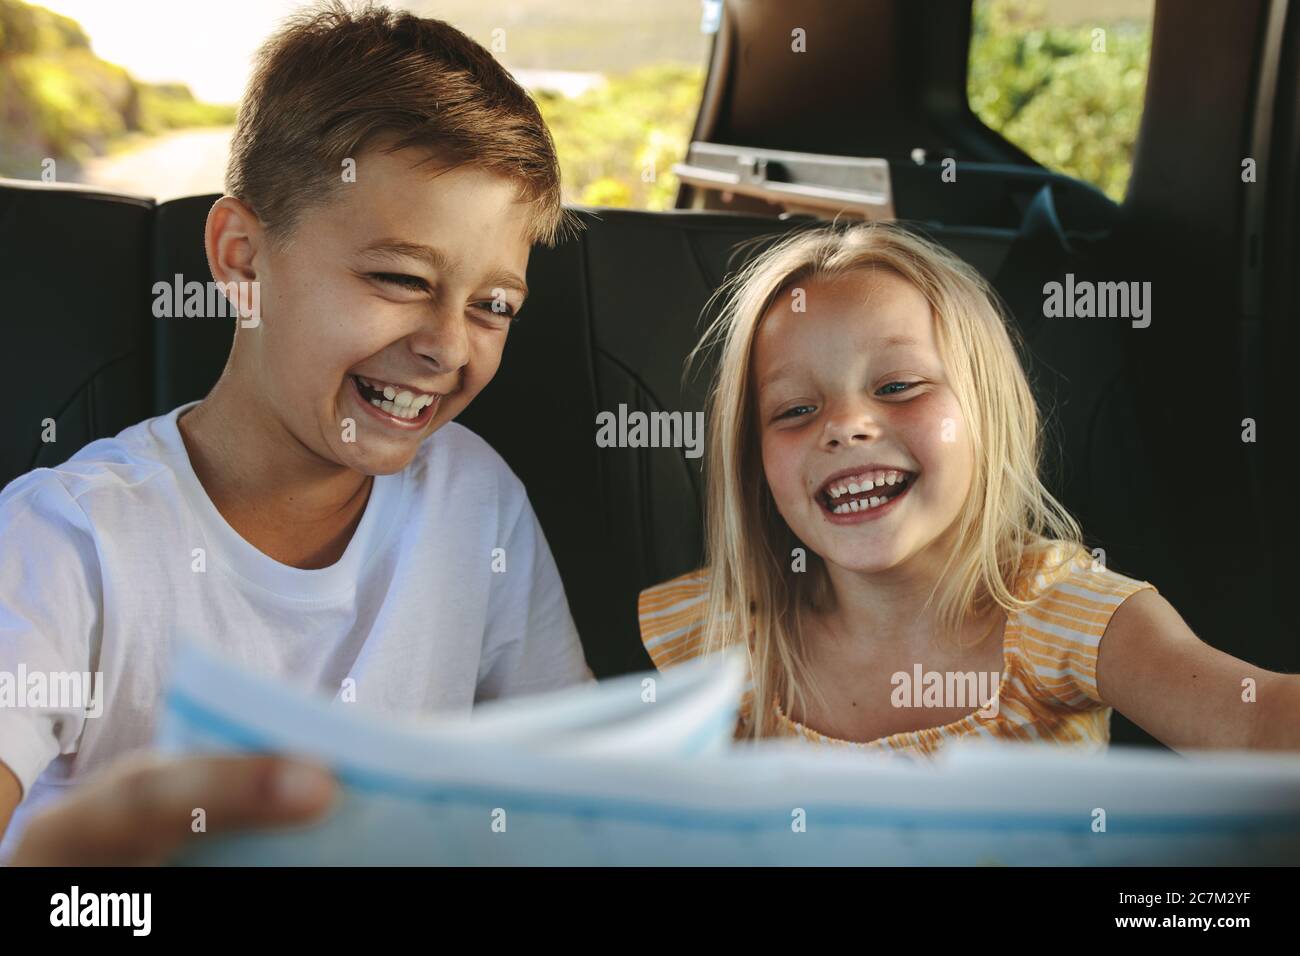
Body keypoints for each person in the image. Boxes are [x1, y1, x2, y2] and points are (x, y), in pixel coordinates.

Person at [0, 2, 593, 862]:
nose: (446, 345)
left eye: (493, 307)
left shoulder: (476, 499)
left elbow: (566, 791)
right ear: (243, 261)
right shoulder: (67, 540)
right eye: (398, 278)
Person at [639, 222, 1300, 752]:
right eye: (794, 410)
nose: (843, 427)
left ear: (986, 413)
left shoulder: (1058, 612)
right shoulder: (721, 633)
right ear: (752, 463)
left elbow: (1255, 718)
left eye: (898, 386)